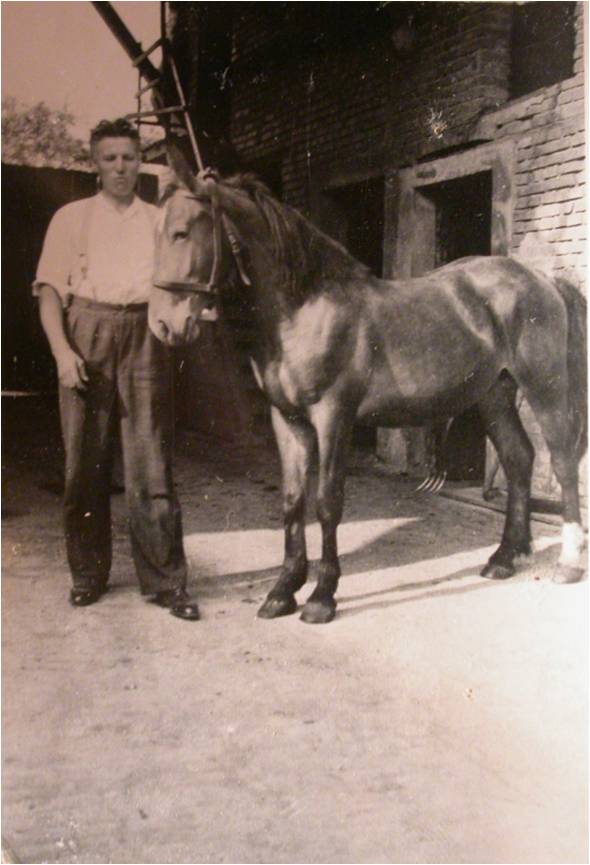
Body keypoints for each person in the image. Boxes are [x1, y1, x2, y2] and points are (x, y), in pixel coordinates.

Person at [34, 118, 199, 620]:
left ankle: (167, 583)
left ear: (138, 162)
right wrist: (64, 353)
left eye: (129, 157)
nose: (121, 168)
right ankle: (87, 576)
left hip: (145, 335)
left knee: (152, 462)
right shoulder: (71, 218)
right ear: (95, 164)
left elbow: (178, 283)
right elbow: (48, 292)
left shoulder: (158, 217)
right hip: (87, 332)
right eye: (110, 158)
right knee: (85, 464)